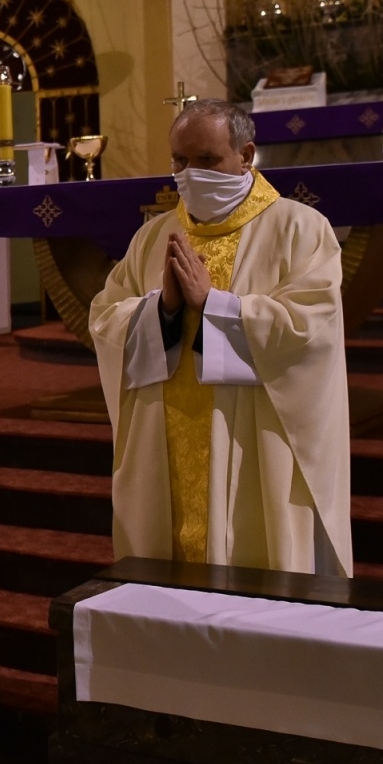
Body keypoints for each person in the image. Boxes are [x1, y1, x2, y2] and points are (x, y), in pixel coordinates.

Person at [89, 98, 352, 576]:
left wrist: (216, 305)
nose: (190, 174)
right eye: (179, 161)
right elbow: (105, 319)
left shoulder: (299, 228)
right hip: (165, 432)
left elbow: (310, 330)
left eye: (207, 160)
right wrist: (161, 309)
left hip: (252, 441)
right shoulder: (153, 237)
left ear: (246, 154)